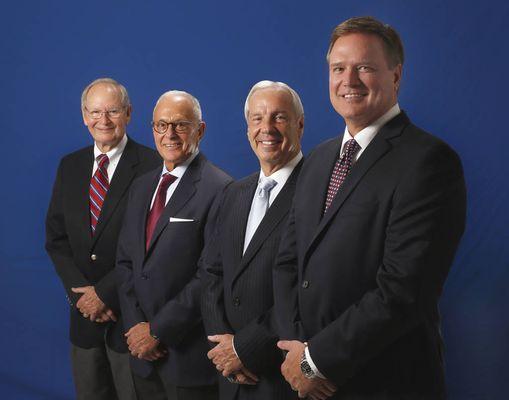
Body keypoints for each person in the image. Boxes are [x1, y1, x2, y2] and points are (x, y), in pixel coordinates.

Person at [274, 16, 467, 400]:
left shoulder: (429, 161)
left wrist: (315, 360)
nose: (349, 80)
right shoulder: (316, 159)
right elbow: (287, 262)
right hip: (308, 382)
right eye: (338, 68)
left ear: (395, 77)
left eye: (364, 67)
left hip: (384, 382)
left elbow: (403, 291)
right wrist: (295, 349)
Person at [46, 77, 161, 400]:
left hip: (132, 318)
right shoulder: (70, 166)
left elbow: (152, 246)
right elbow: (56, 239)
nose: (103, 120)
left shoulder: (153, 166)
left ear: (128, 113)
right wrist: (82, 298)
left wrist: (106, 294)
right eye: (95, 112)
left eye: (112, 111)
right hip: (84, 320)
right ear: (84, 115)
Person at [116, 90, 232, 400]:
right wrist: (136, 326)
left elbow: (210, 276)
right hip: (141, 356)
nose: (169, 134)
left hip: (187, 359)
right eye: (161, 125)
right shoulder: (141, 186)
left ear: (200, 130)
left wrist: (157, 331)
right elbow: (126, 262)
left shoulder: (220, 189)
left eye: (180, 125)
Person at [202, 81, 304, 400]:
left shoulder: (317, 192)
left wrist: (245, 348)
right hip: (229, 375)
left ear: (300, 124)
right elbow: (211, 273)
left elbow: (310, 286)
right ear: (248, 129)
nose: (267, 128)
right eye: (257, 119)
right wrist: (224, 345)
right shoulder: (233, 193)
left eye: (279, 117)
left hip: (282, 375)